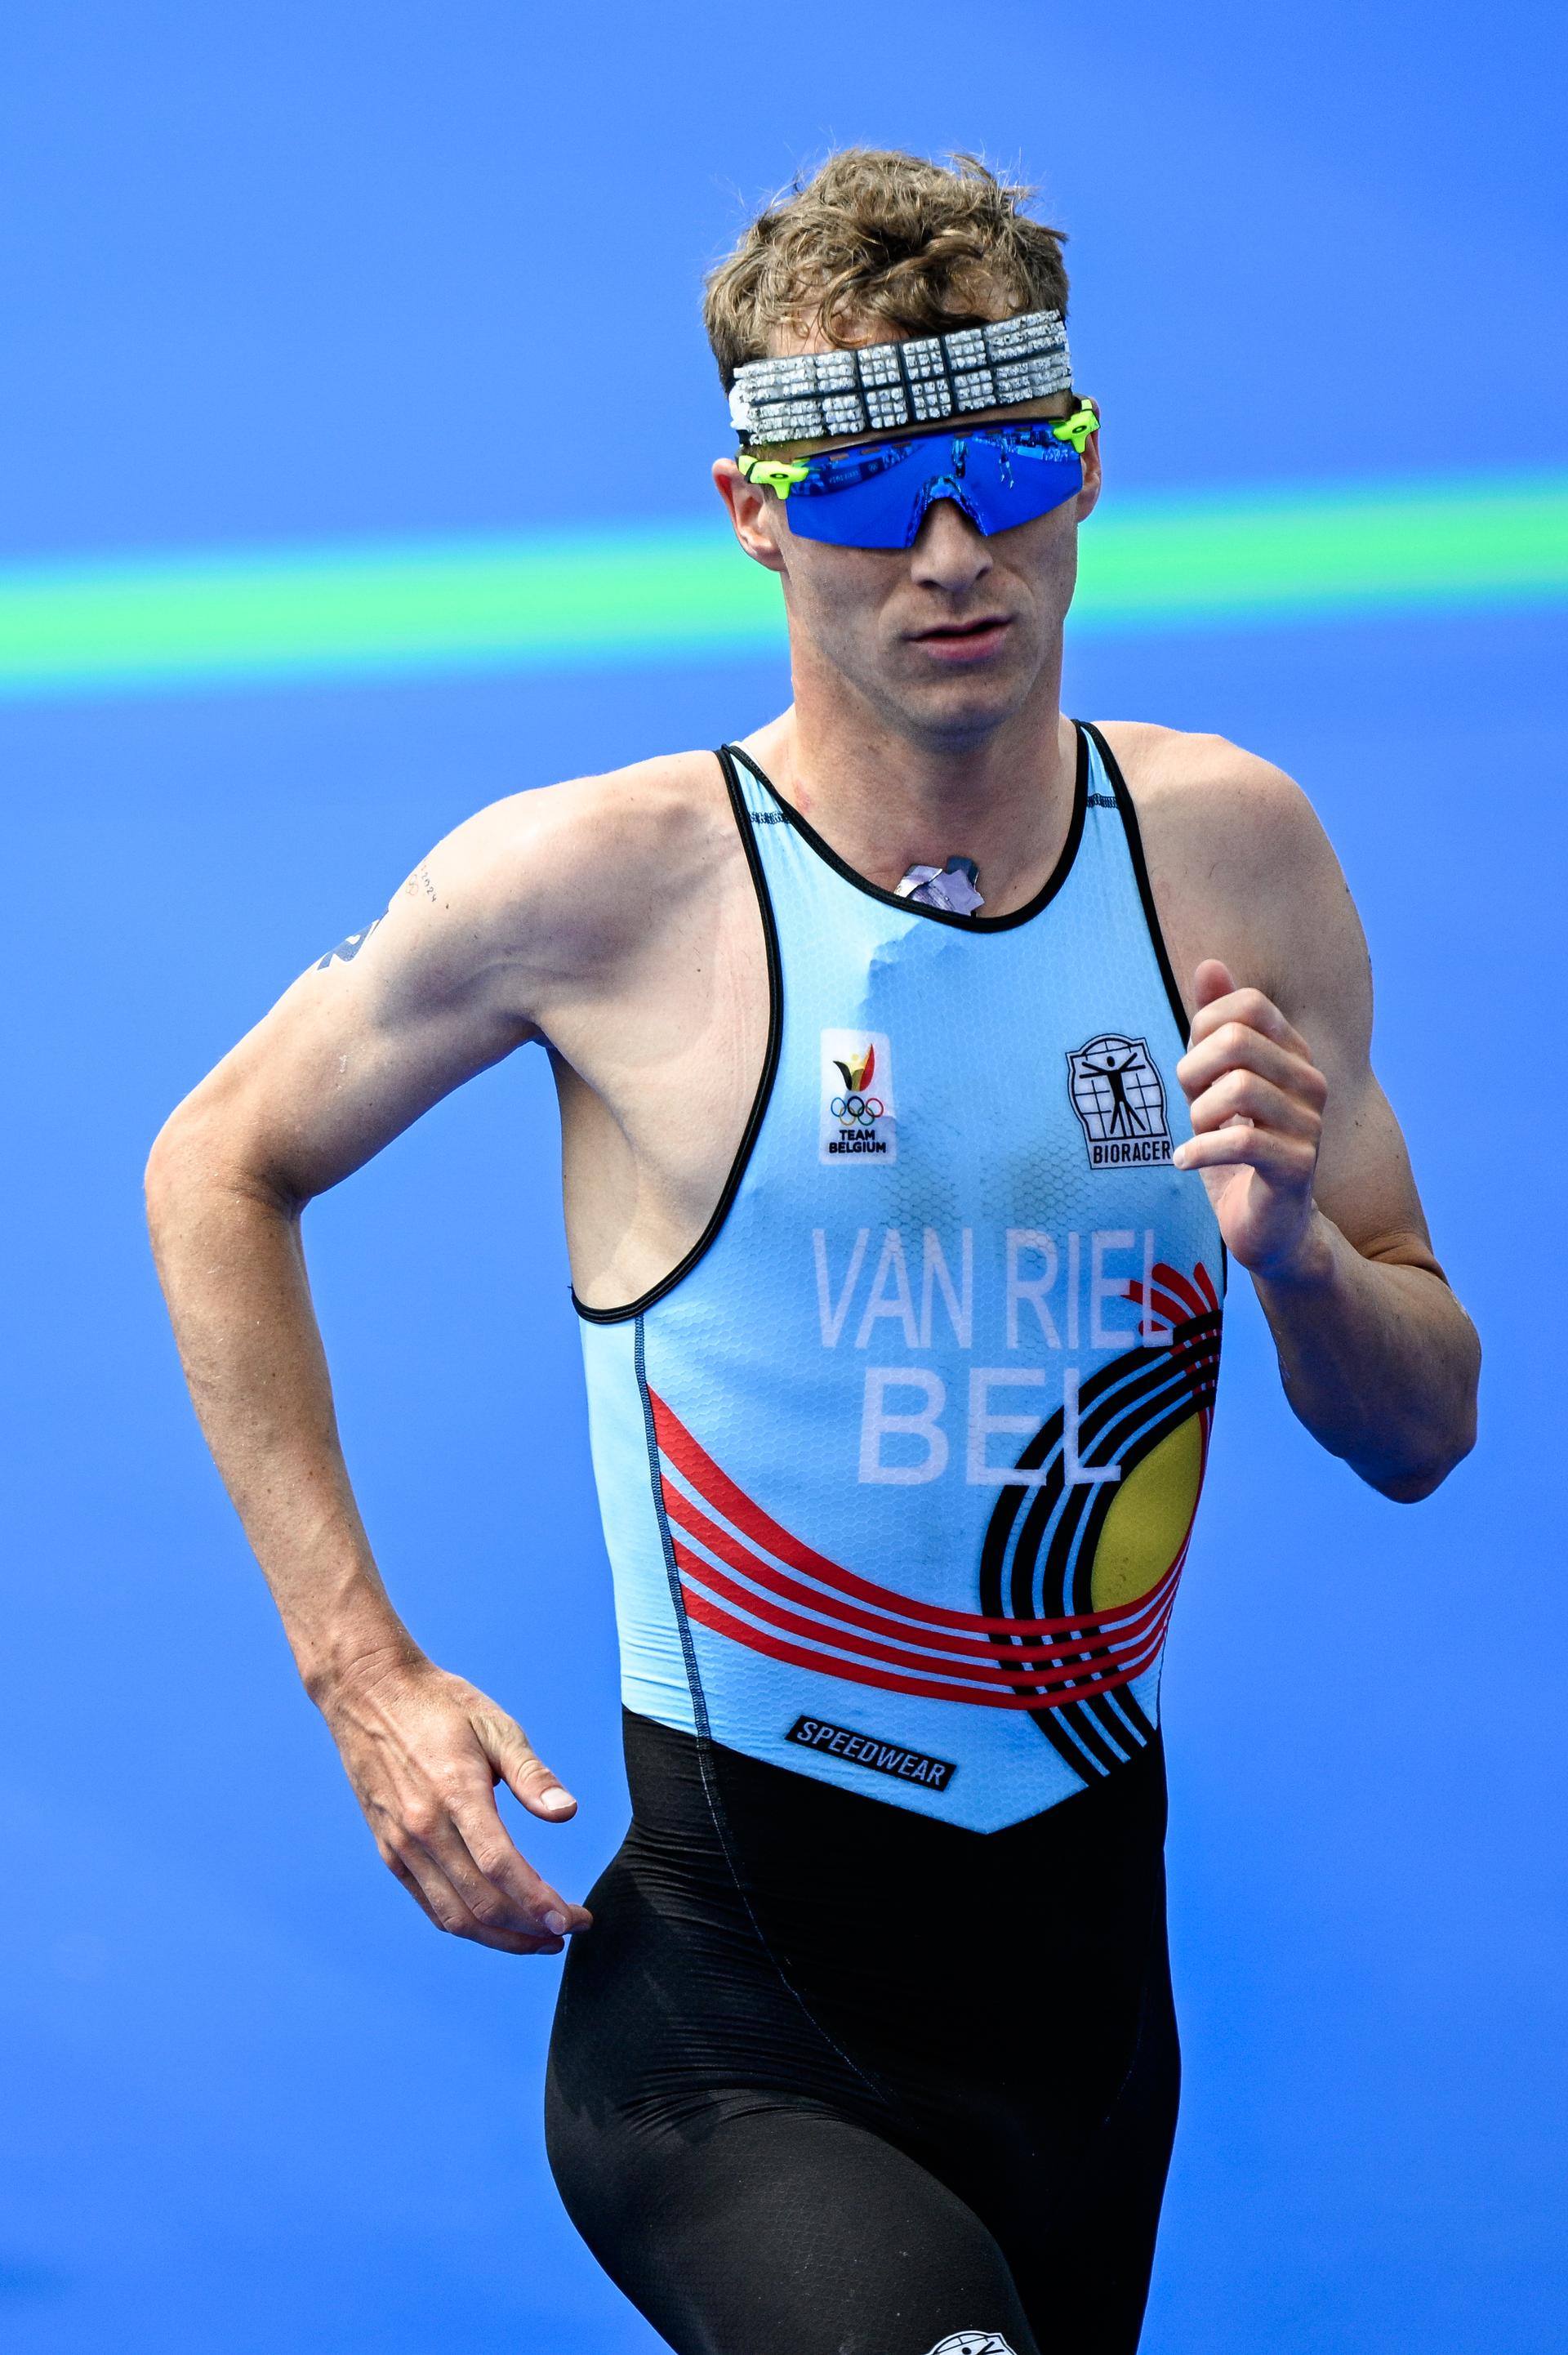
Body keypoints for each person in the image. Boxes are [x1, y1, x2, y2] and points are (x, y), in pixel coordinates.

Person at [146, 149, 1479, 2355]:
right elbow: (217, 1160)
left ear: (1085, 471)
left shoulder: (1233, 856)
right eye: (867, 491)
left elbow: (1427, 1424)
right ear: (754, 511)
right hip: (728, 2030)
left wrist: (1303, 1270)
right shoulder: (607, 889)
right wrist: (361, 1672)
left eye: (997, 471)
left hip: (1085, 2027)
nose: (948, 553)